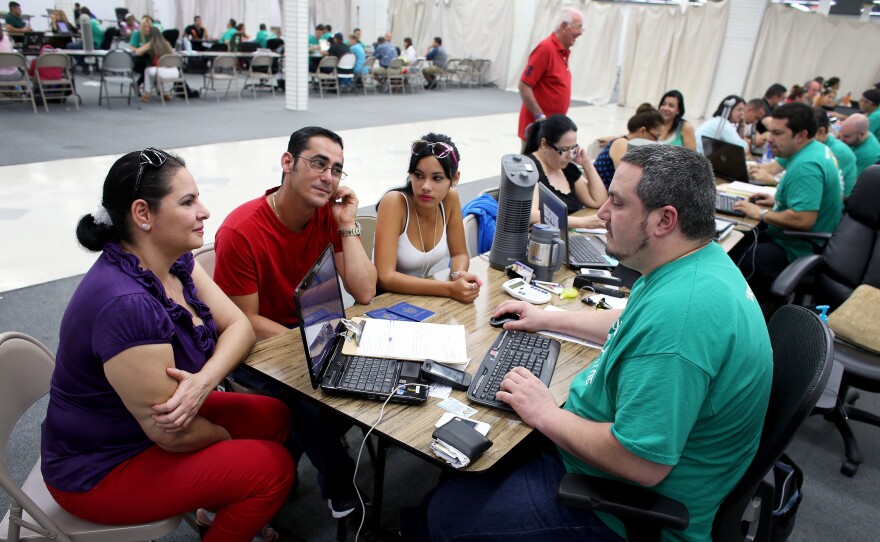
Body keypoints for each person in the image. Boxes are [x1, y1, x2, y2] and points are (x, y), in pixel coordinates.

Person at [400, 144, 772, 542]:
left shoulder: (682, 320)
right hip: (601, 462)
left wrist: (545, 413)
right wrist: (548, 317)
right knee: (469, 469)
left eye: (617, 202)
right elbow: (629, 320)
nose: (603, 214)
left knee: (447, 516)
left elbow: (641, 462)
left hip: (622, 504)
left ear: (664, 220)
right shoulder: (692, 264)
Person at [40, 148, 293, 542]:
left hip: (140, 427)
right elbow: (171, 433)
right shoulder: (127, 305)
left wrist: (203, 382)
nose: (205, 211)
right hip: (100, 466)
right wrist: (225, 439)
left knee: (274, 416)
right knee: (273, 470)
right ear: (143, 214)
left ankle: (213, 511)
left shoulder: (172, 260)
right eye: (188, 202)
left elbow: (239, 326)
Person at [213, 127, 377, 519]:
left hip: (311, 332)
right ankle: (339, 488)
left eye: (337, 169)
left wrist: (347, 224)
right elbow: (242, 322)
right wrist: (312, 341)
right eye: (318, 163)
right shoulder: (241, 230)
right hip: (254, 347)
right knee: (309, 398)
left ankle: (286, 456)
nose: (328, 176)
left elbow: (365, 290)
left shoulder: (326, 216)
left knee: (368, 370)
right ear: (287, 163)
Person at [732, 102, 842, 301]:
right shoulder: (815, 150)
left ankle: (753, 316)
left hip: (798, 247)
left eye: (777, 133)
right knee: (743, 237)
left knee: (735, 260)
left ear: (801, 135)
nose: (770, 139)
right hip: (797, 238)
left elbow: (804, 219)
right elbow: (810, 198)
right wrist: (776, 200)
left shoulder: (806, 166)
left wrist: (760, 213)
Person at [374, 134, 481, 301]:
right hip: (383, 303)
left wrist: (458, 275)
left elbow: (459, 254)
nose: (425, 186)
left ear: (455, 178)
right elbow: (385, 277)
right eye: (418, 175)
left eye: (437, 178)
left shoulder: (450, 198)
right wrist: (450, 289)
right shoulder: (394, 203)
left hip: (423, 300)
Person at [524, 114, 608, 229]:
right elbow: (532, 216)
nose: (570, 156)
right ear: (544, 144)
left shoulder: (567, 168)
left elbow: (599, 200)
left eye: (573, 148)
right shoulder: (528, 168)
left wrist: (586, 163)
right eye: (564, 149)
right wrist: (582, 222)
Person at [751, 107, 857, 198]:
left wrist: (773, 180)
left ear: (820, 132)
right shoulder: (806, 145)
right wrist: (749, 168)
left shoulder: (835, 152)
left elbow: (817, 191)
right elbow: (774, 167)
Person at [517, 7, 583, 141]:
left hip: (551, 131)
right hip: (538, 130)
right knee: (531, 162)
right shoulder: (545, 49)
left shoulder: (562, 53)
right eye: (578, 27)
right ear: (564, 26)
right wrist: (540, 118)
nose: (580, 33)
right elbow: (524, 85)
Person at [593, 105, 664, 188]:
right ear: (642, 131)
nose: (656, 142)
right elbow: (623, 182)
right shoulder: (621, 144)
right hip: (603, 195)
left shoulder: (627, 143)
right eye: (656, 137)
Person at [133, 26, 176, 103]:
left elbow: (137, 52)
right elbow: (171, 54)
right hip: (173, 71)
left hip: (160, 71)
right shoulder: (167, 43)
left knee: (147, 70)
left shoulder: (151, 44)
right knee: (155, 70)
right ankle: (166, 92)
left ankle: (147, 94)